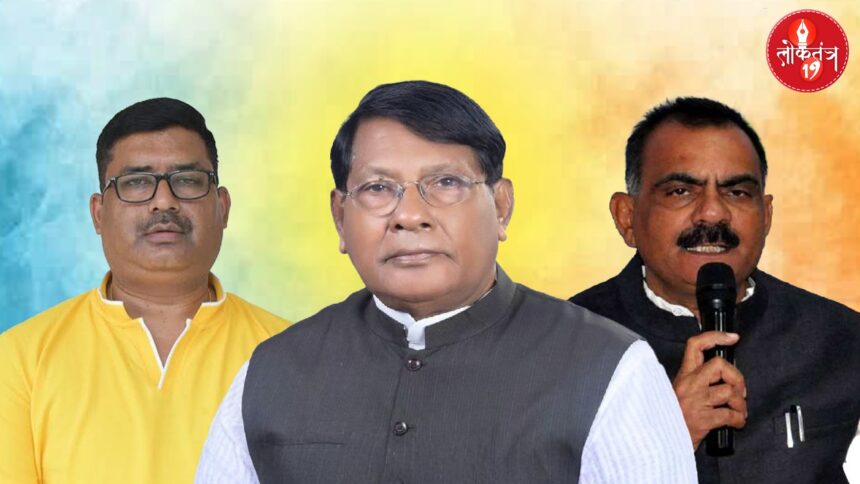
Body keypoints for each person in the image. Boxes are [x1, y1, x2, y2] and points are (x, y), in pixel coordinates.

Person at [196, 81, 696, 483]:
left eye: (446, 183)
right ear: (340, 217)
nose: (409, 215)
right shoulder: (270, 373)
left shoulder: (610, 369)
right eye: (378, 188)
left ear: (501, 206)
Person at [570, 97, 860, 483]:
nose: (712, 212)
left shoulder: (840, 339)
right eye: (680, 191)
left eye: (736, 192)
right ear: (627, 217)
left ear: (766, 216)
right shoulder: (560, 349)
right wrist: (662, 439)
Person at [0, 98, 289, 484]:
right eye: (136, 182)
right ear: (98, 213)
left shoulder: (290, 356)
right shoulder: (20, 361)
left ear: (222, 206)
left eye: (187, 180)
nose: (164, 201)